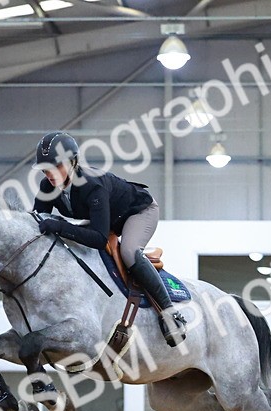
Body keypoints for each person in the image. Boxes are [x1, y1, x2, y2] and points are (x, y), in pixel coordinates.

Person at [31, 131, 187, 346]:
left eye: (56, 166)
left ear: (72, 163)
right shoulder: (46, 188)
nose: (50, 173)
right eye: (45, 168)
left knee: (129, 252)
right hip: (106, 218)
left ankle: (170, 314)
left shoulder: (91, 185)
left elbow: (98, 238)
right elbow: (37, 223)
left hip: (137, 212)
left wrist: (59, 226)